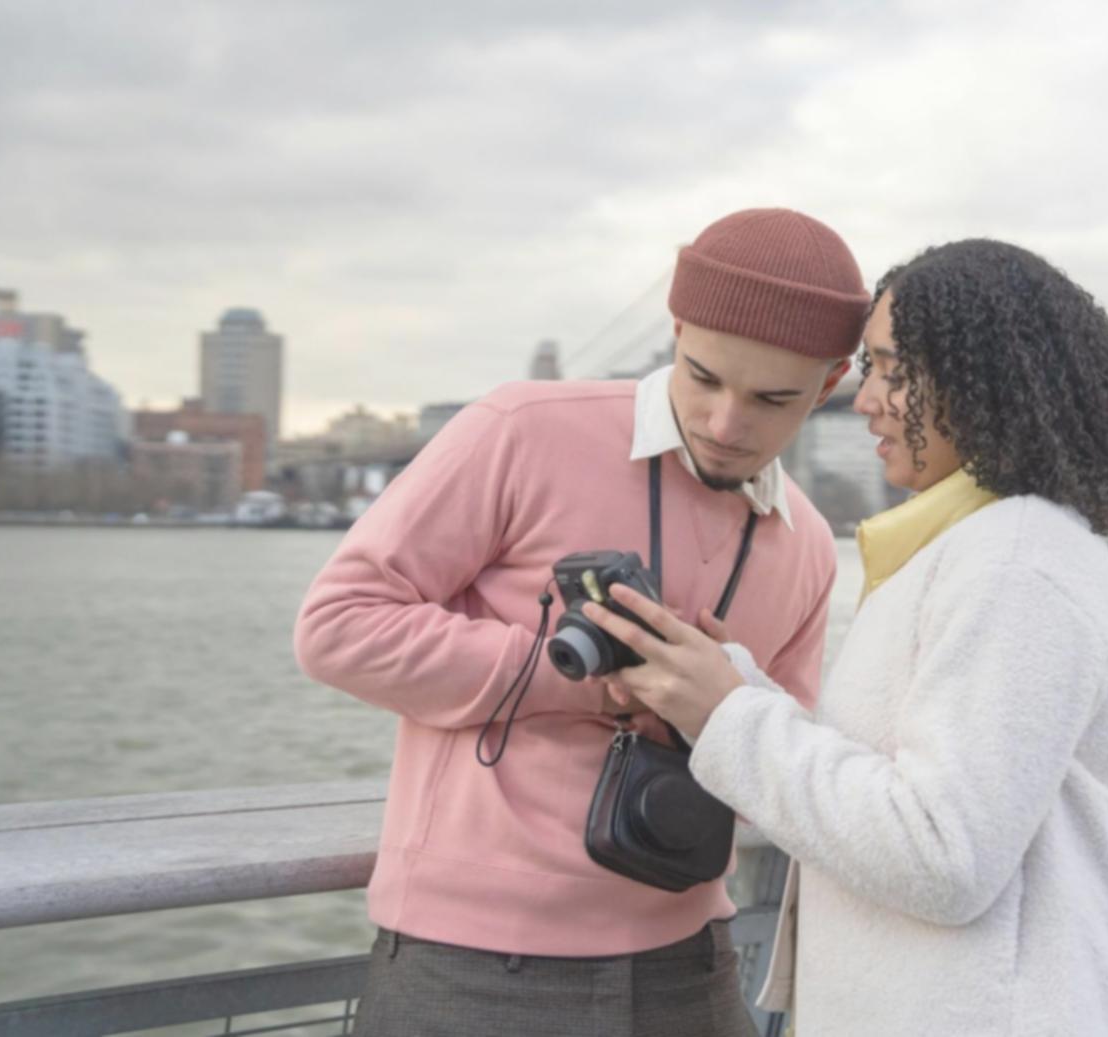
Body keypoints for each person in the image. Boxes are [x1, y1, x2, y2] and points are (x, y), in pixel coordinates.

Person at [292, 208, 871, 1037]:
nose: (725, 423)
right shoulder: (521, 429)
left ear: (829, 384)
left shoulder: (809, 541)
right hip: (472, 965)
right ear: (674, 329)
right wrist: (587, 684)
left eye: (772, 398)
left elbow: (776, 779)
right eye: (702, 376)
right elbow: (338, 626)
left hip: (694, 964)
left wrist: (715, 707)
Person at [583, 239, 1108, 1035]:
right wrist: (731, 686)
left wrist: (727, 715)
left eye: (894, 371)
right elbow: (911, 785)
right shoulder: (978, 547)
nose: (864, 400)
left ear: (979, 382)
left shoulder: (1016, 562)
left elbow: (943, 854)